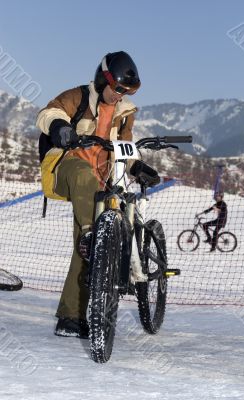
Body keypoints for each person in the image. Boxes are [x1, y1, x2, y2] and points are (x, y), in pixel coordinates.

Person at [36, 51, 141, 338]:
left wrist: (136, 166)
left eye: (125, 91)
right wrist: (60, 128)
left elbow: (125, 146)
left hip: (101, 181)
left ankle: (71, 318)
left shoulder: (125, 112)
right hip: (66, 167)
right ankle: (91, 236)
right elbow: (49, 113)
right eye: (117, 88)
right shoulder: (78, 96)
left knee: (89, 249)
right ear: (102, 79)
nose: (119, 95)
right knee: (89, 229)